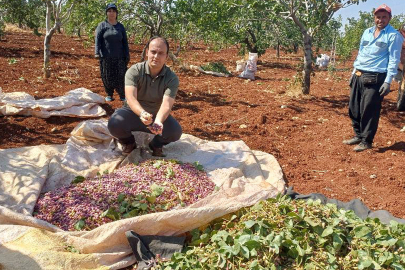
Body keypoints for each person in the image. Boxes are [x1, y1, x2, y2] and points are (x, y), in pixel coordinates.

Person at [343, 4, 404, 152]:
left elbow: (394, 60)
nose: (380, 20)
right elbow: (361, 53)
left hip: (376, 77)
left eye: (384, 17)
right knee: (354, 108)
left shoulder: (393, 36)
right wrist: (353, 73)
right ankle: (358, 135)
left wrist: (388, 81)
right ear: (374, 17)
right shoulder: (367, 32)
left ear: (389, 18)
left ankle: (367, 140)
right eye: (378, 17)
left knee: (369, 110)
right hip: (359, 74)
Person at [107, 36, 182, 157]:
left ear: (166, 57)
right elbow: (131, 98)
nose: (156, 56)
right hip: (133, 112)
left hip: (156, 114)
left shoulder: (171, 78)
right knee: (115, 124)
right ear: (147, 52)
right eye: (153, 52)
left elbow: (167, 104)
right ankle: (129, 142)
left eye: (161, 53)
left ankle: (156, 144)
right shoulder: (135, 71)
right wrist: (142, 113)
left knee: (175, 132)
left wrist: (158, 121)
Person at [95, 3, 130, 102]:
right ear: (106, 13)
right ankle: (109, 94)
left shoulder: (120, 27)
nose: (112, 13)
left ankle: (122, 95)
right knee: (107, 76)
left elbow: (125, 42)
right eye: (109, 11)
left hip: (119, 56)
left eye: (114, 11)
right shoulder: (102, 25)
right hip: (106, 56)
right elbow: (97, 40)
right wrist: (97, 52)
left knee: (121, 75)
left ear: (116, 13)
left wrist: (127, 54)